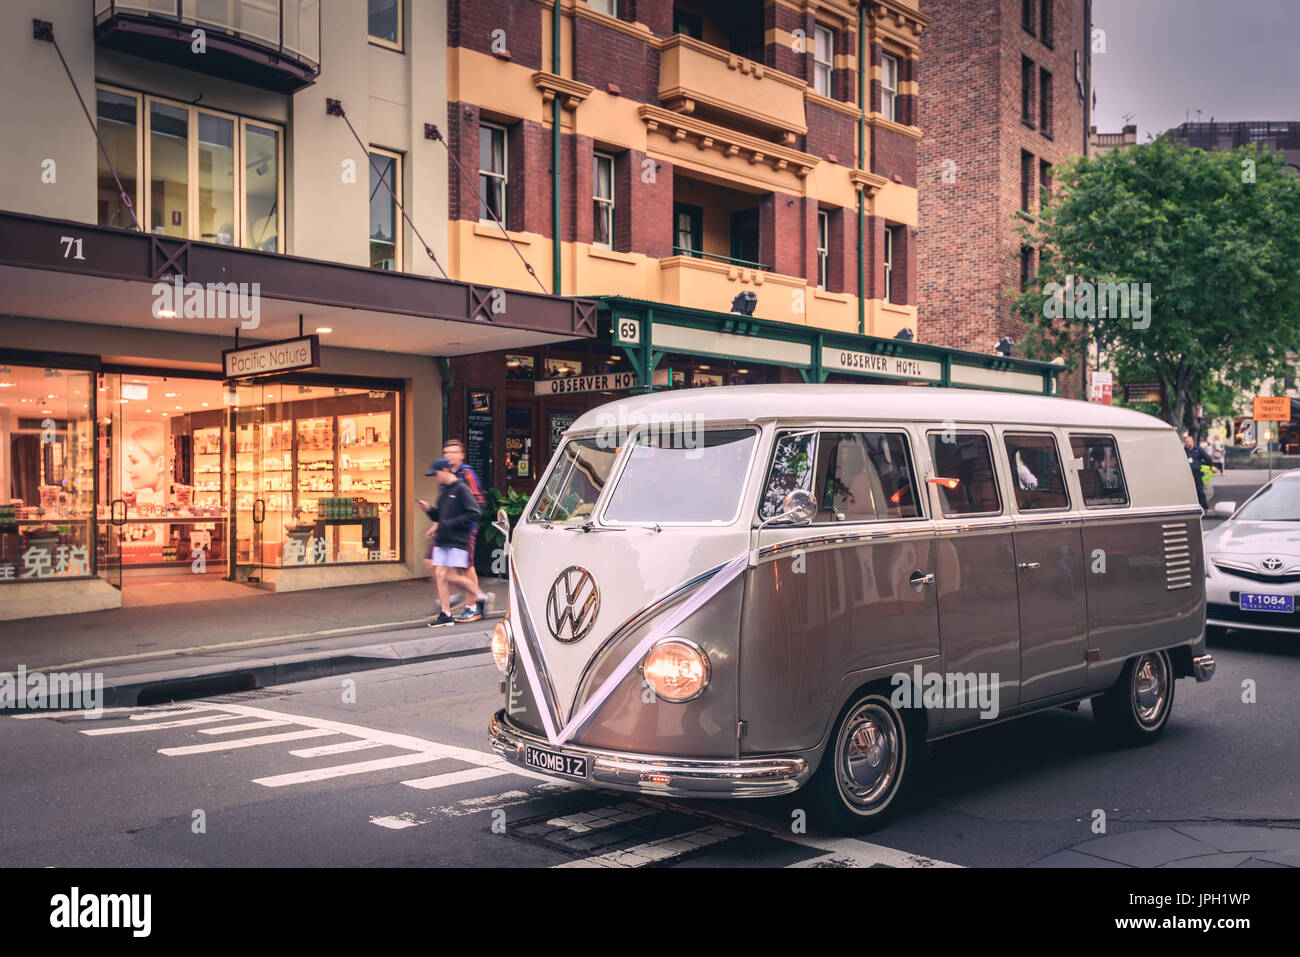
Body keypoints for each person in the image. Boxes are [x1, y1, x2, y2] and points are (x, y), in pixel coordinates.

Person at [420, 458, 482, 627]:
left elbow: (474, 513)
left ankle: (480, 596)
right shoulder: (445, 491)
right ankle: (446, 613)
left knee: (450, 575)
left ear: (445, 470)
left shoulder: (461, 488)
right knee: (440, 574)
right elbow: (440, 516)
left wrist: (451, 524)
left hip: (456, 539)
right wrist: (430, 511)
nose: (435, 477)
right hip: (443, 539)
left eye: (436, 473)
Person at [441, 438, 492, 618]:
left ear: (462, 455)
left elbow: (478, 501)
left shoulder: (467, 474)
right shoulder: (446, 474)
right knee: (452, 567)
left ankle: (473, 606)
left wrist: (461, 517)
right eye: (446, 453)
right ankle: (466, 598)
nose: (450, 456)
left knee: (466, 566)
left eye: (454, 452)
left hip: (466, 528)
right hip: (452, 529)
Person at [1183, 433, 1214, 512]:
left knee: (1199, 490)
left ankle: (1204, 507)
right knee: (1187, 491)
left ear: (1192, 442)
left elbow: (1207, 458)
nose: (1187, 443)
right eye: (1185, 442)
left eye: (1188, 442)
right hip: (1186, 474)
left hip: (1197, 473)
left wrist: (1211, 466)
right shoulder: (1183, 451)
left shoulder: (1198, 450)